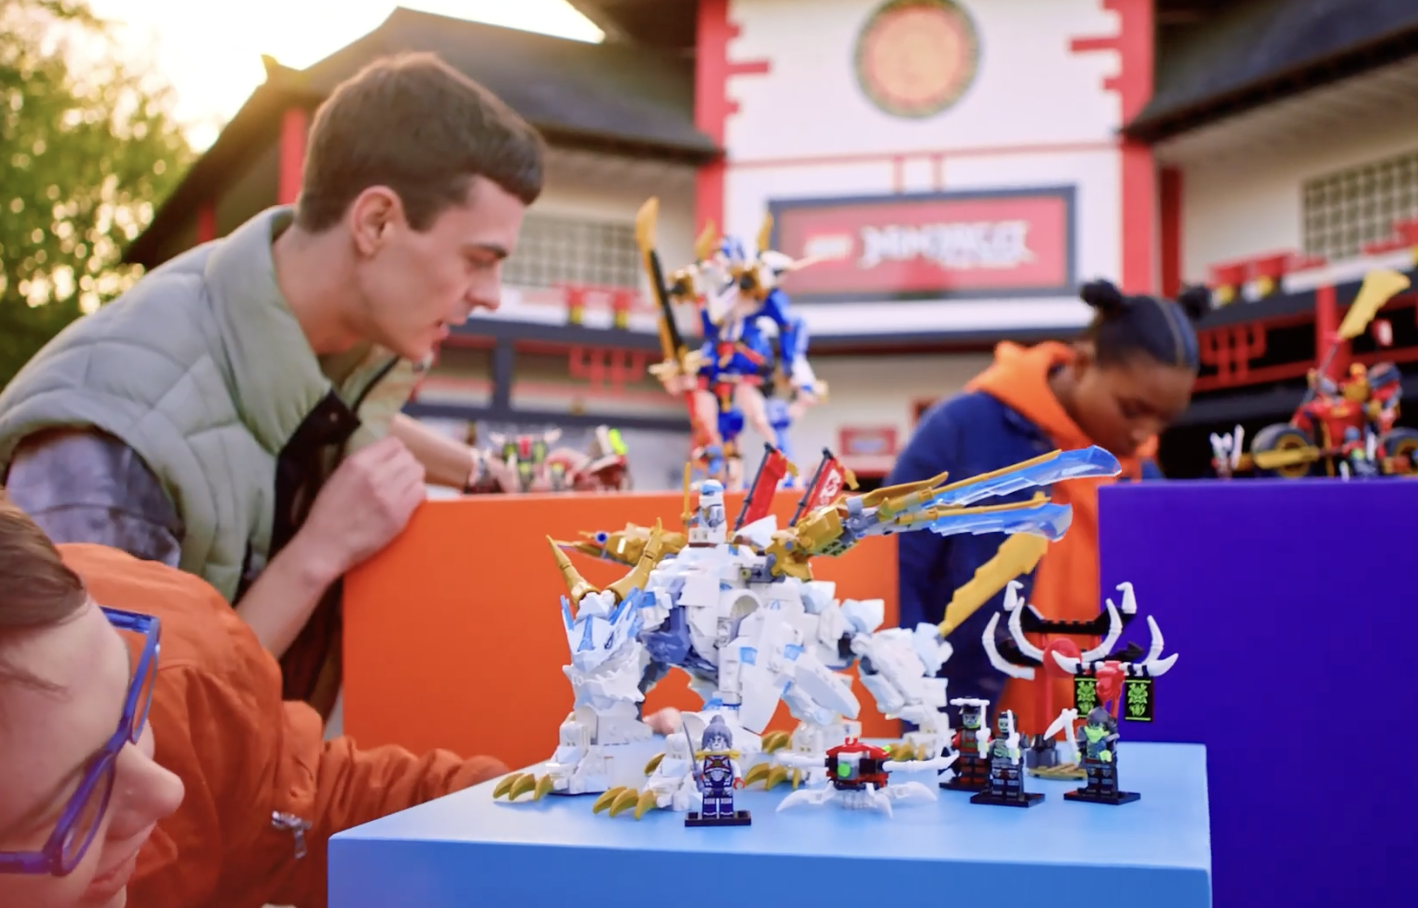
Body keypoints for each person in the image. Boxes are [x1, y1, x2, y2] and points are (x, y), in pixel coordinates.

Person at [0, 51, 544, 720]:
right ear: (376, 222)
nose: (491, 297)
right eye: (478, 260)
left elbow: (295, 409)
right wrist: (316, 555)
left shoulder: (289, 314)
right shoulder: (106, 448)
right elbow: (103, 745)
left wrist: (486, 472)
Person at [0, 494, 507, 908]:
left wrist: (511, 812)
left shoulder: (183, 674)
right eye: (76, 802)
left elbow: (298, 807)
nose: (167, 790)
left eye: (129, 709)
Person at [887, 279, 1210, 734]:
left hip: (1092, 732)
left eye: (1164, 419)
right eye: (1132, 409)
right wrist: (913, 712)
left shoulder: (1140, 472)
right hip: (971, 729)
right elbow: (896, 571)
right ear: (1081, 364)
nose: (1145, 433)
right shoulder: (964, 429)